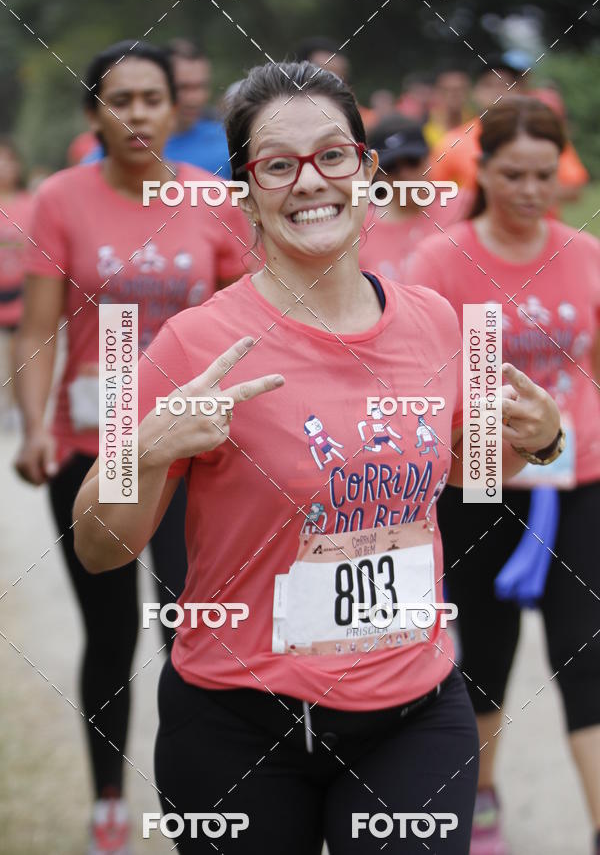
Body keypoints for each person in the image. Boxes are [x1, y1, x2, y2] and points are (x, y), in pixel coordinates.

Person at [71, 61, 561, 854]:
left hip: (415, 714)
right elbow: (100, 547)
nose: (310, 182)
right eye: (277, 165)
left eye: (333, 155)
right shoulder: (197, 344)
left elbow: (472, 473)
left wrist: (543, 440)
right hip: (237, 726)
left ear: (365, 170)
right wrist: (147, 448)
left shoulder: (443, 322)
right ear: (245, 190)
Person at [14, 40, 248, 855]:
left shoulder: (211, 198)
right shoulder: (60, 199)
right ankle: (109, 794)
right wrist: (36, 424)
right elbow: (39, 330)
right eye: (122, 98)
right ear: (95, 116)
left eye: (153, 97)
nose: (140, 113)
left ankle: (203, 792)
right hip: (96, 444)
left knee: (194, 624)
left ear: (173, 108)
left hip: (189, 450)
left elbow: (242, 322)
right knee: (111, 633)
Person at [407, 97, 600, 855]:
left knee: (586, 657)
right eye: (512, 174)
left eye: (544, 176)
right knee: (482, 660)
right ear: (480, 169)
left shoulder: (584, 253)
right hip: (478, 485)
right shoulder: (440, 260)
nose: (529, 190)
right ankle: (480, 792)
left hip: (578, 480)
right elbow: (419, 376)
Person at [429, 55, 588, 207]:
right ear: (476, 92)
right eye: (489, 85)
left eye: (506, 85)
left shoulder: (544, 133)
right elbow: (432, 193)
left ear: (519, 90)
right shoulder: (453, 142)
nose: (498, 91)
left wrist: (522, 196)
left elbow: (573, 187)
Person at [79, 39, 231, 177]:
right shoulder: (99, 162)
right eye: (183, 87)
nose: (193, 99)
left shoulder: (229, 145)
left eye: (200, 86)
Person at [359, 115, 467, 283]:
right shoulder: (361, 229)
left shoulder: (464, 206)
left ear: (429, 160)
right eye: (391, 167)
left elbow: (482, 290)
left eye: (412, 161)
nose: (404, 175)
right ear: (375, 171)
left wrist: (477, 311)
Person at [0, 137, 33, 428]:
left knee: (18, 351)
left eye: (8, 160)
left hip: (22, 294)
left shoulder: (30, 204)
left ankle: (15, 406)